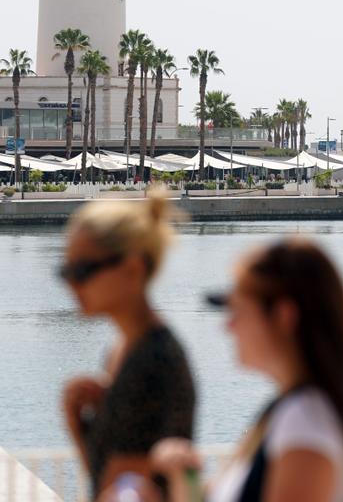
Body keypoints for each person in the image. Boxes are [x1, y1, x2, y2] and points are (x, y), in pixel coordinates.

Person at [151, 237, 343, 502]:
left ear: (283, 315)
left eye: (238, 311)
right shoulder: (301, 410)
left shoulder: (306, 420)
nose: (228, 327)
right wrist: (183, 478)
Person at [59, 190, 196, 499]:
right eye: (65, 272)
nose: (72, 284)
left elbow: (127, 488)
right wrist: (79, 428)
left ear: (132, 269)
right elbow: (111, 481)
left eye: (82, 271)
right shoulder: (125, 349)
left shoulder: (152, 360)